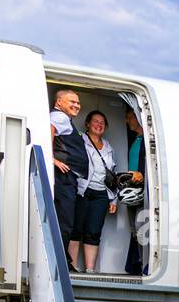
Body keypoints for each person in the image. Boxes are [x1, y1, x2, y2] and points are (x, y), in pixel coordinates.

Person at [71, 110, 118, 273]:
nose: (99, 125)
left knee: (93, 231)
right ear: (87, 124)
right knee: (75, 228)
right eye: (95, 121)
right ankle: (73, 266)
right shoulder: (80, 139)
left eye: (102, 122)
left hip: (101, 194)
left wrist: (113, 199)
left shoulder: (108, 147)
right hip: (81, 190)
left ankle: (90, 270)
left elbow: (112, 173)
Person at [49, 89, 86, 271]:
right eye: (72, 101)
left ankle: (64, 260)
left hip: (68, 178)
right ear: (59, 102)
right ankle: (61, 264)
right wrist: (52, 158)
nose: (76, 105)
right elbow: (50, 132)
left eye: (78, 103)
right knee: (64, 221)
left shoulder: (64, 118)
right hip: (63, 177)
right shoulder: (59, 117)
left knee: (66, 221)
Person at [122, 108, 148, 275]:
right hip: (131, 190)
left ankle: (146, 265)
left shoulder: (148, 141)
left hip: (144, 190)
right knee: (134, 229)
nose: (127, 121)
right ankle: (136, 264)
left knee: (141, 227)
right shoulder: (135, 139)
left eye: (130, 117)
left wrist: (143, 175)